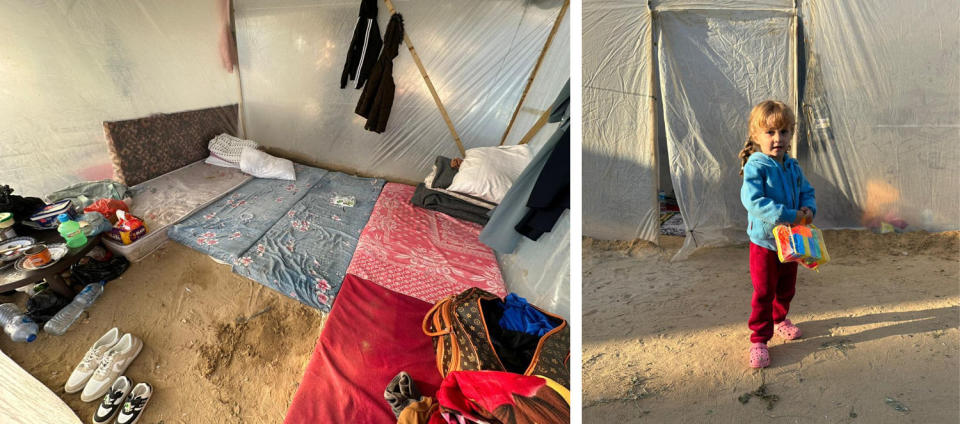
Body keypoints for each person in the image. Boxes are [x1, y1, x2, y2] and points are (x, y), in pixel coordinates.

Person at [739, 100, 816, 368]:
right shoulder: (756, 166)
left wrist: (808, 209)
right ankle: (759, 339)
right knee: (764, 290)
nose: (777, 139)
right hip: (764, 243)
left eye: (784, 132)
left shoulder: (792, 167)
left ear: (791, 134)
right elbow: (754, 201)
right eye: (770, 132)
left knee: (786, 287)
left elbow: (807, 191)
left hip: (791, 241)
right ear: (756, 135)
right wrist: (789, 214)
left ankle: (780, 319)